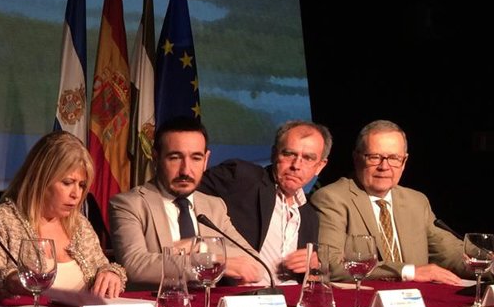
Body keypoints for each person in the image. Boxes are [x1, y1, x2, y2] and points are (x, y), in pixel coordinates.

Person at [0, 132, 125, 301]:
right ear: (41, 179)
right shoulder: (2, 220)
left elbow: (103, 266)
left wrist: (110, 273)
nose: (76, 194)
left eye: (82, 185)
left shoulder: (79, 224)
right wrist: (9, 280)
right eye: (68, 183)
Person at [108, 116, 265, 289]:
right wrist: (212, 261)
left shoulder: (214, 206)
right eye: (175, 157)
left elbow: (254, 262)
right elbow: (135, 266)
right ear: (155, 157)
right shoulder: (129, 204)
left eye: (196, 158)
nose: (186, 170)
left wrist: (199, 245)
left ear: (206, 160)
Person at [309, 120, 465, 283]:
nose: (384, 166)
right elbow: (330, 264)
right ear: (356, 158)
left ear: (404, 162)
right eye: (374, 157)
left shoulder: (416, 201)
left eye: (394, 158)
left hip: (415, 301)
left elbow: (451, 253)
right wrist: (408, 272)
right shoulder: (331, 199)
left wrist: (487, 263)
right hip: (362, 302)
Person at [199, 120, 331, 281]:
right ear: (274, 153)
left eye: (308, 158)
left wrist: (314, 268)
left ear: (320, 166)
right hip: (244, 299)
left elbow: (311, 280)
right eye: (289, 154)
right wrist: (203, 249)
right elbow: (185, 191)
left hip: (290, 302)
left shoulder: (310, 217)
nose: (296, 165)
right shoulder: (242, 177)